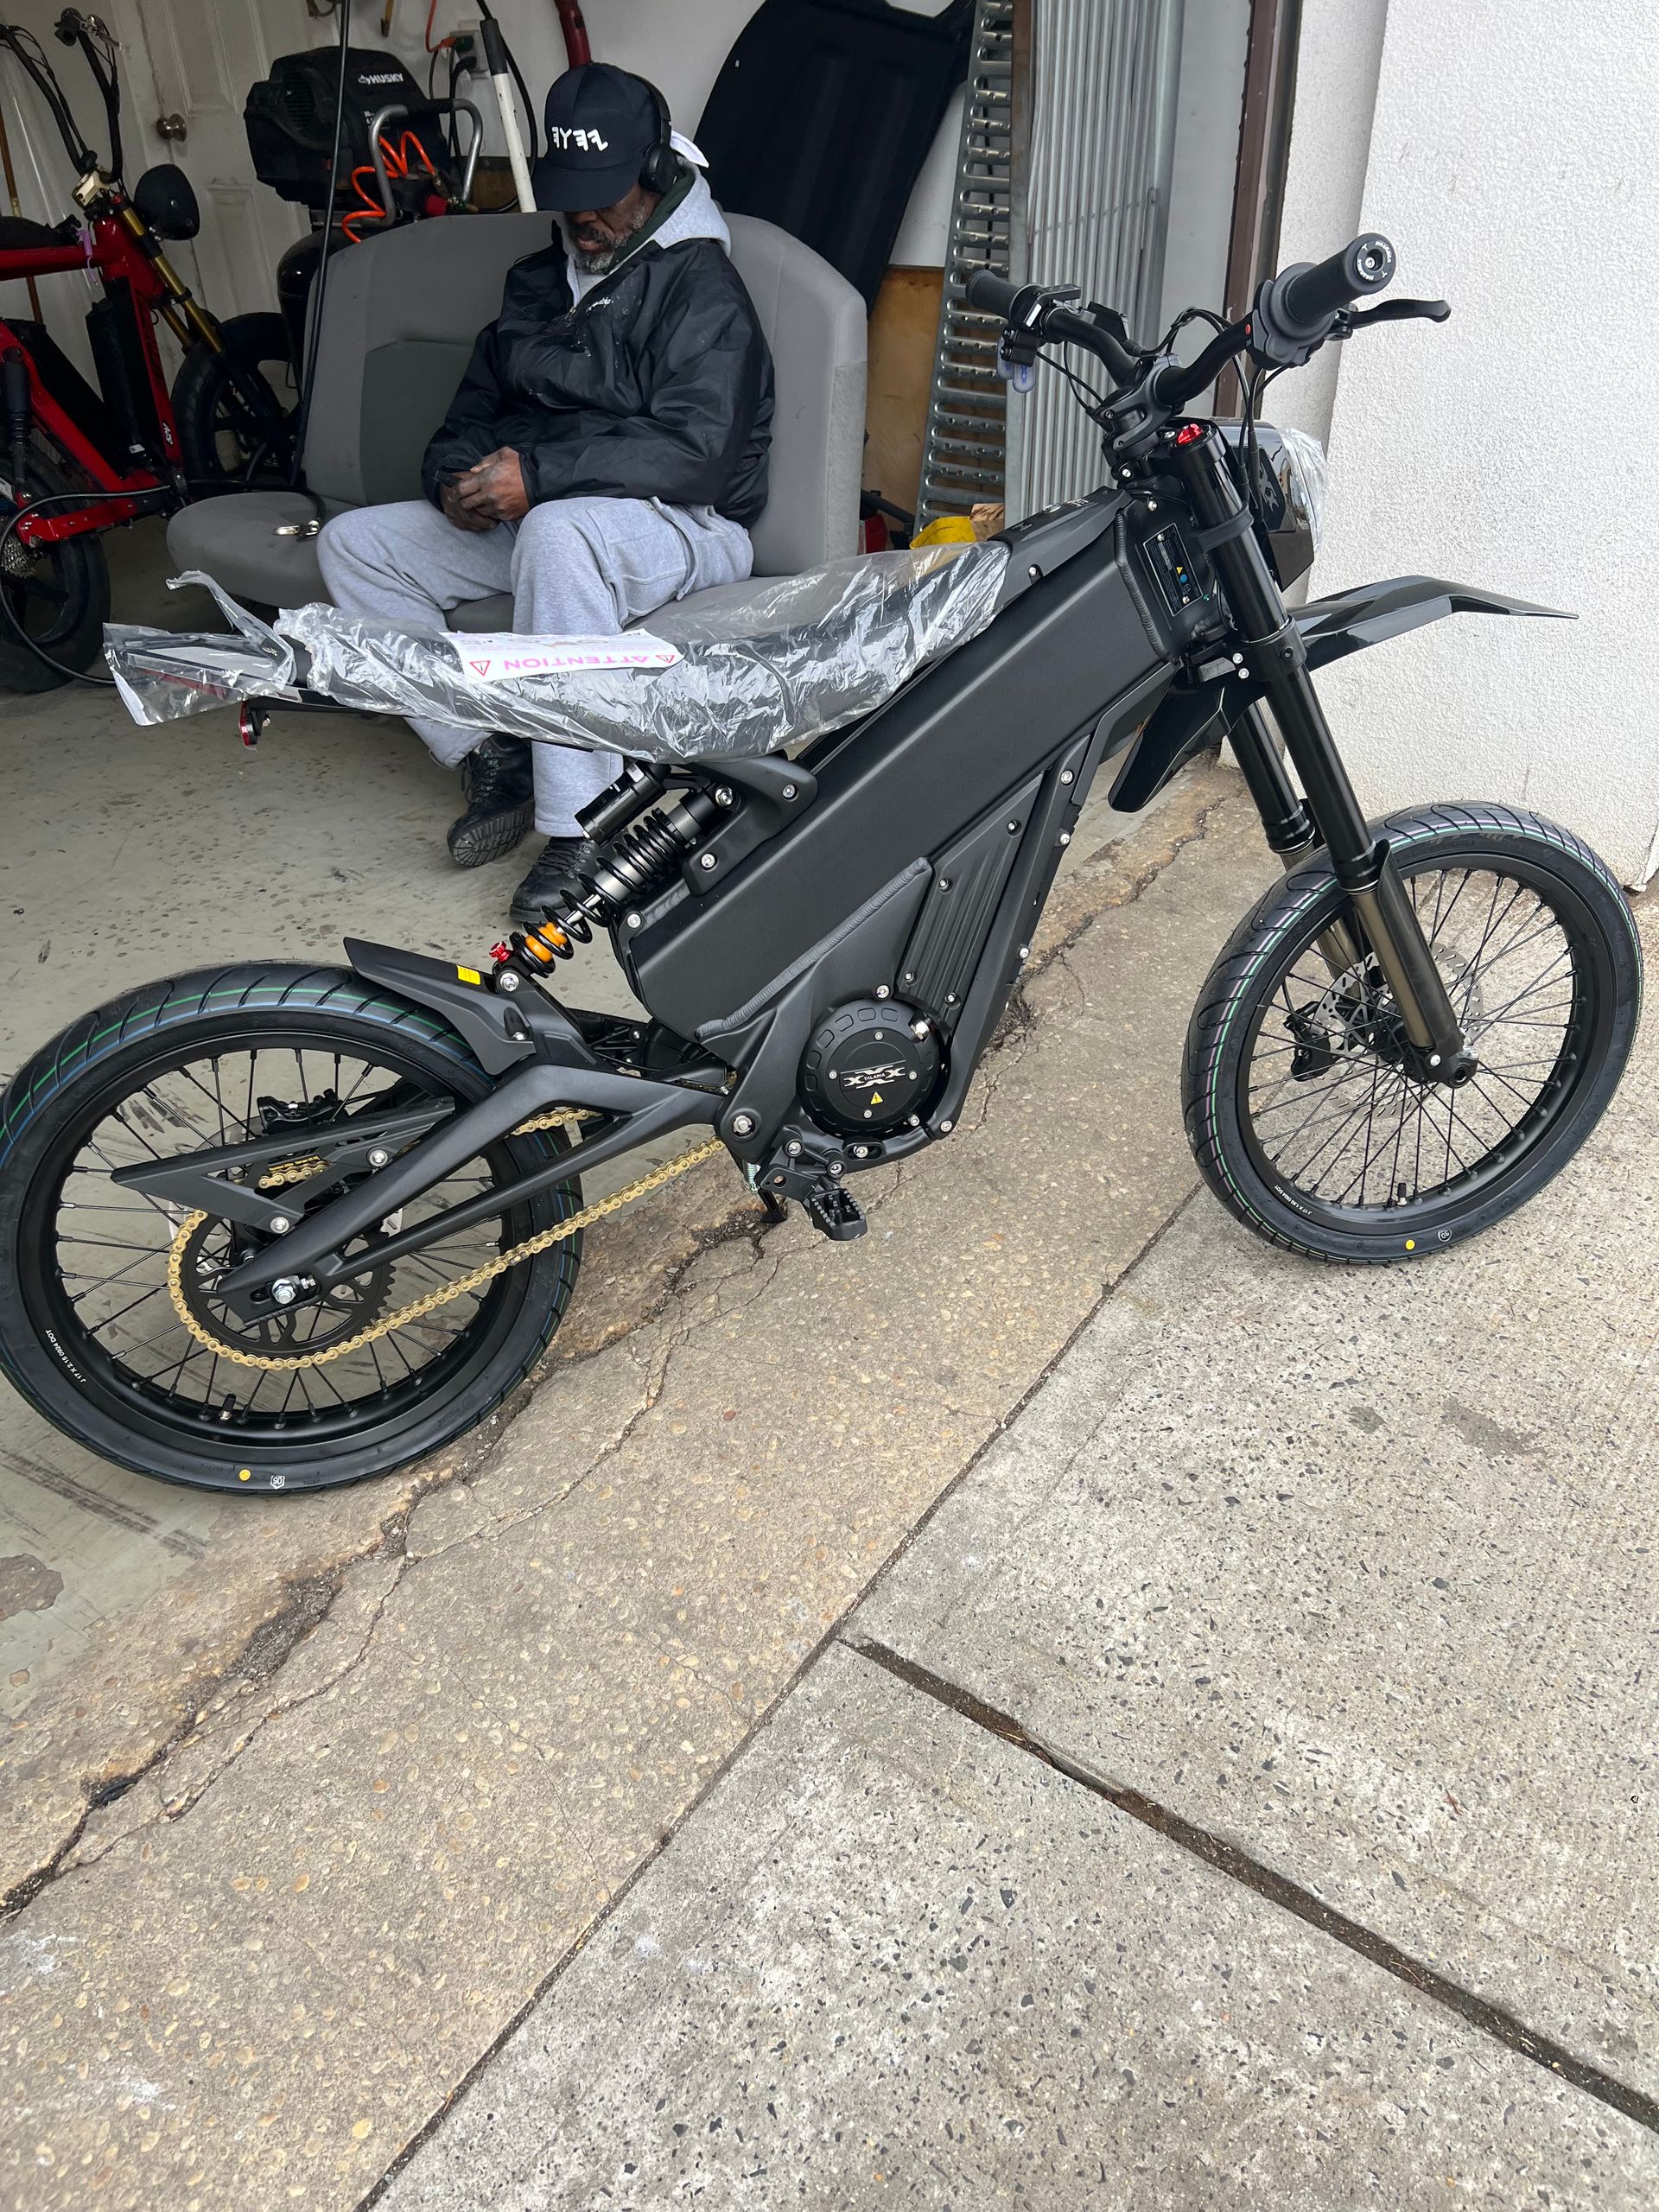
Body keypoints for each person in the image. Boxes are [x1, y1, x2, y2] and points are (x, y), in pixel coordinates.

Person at [317, 63, 773, 922]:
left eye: (604, 192)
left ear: (651, 175)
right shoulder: (537, 280)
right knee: (355, 548)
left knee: (560, 535)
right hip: (548, 510)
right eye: (572, 193)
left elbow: (700, 453)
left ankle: (585, 829)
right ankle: (494, 752)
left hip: (683, 523)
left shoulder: (700, 286)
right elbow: (474, 406)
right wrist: (453, 483)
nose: (586, 214)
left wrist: (542, 479)